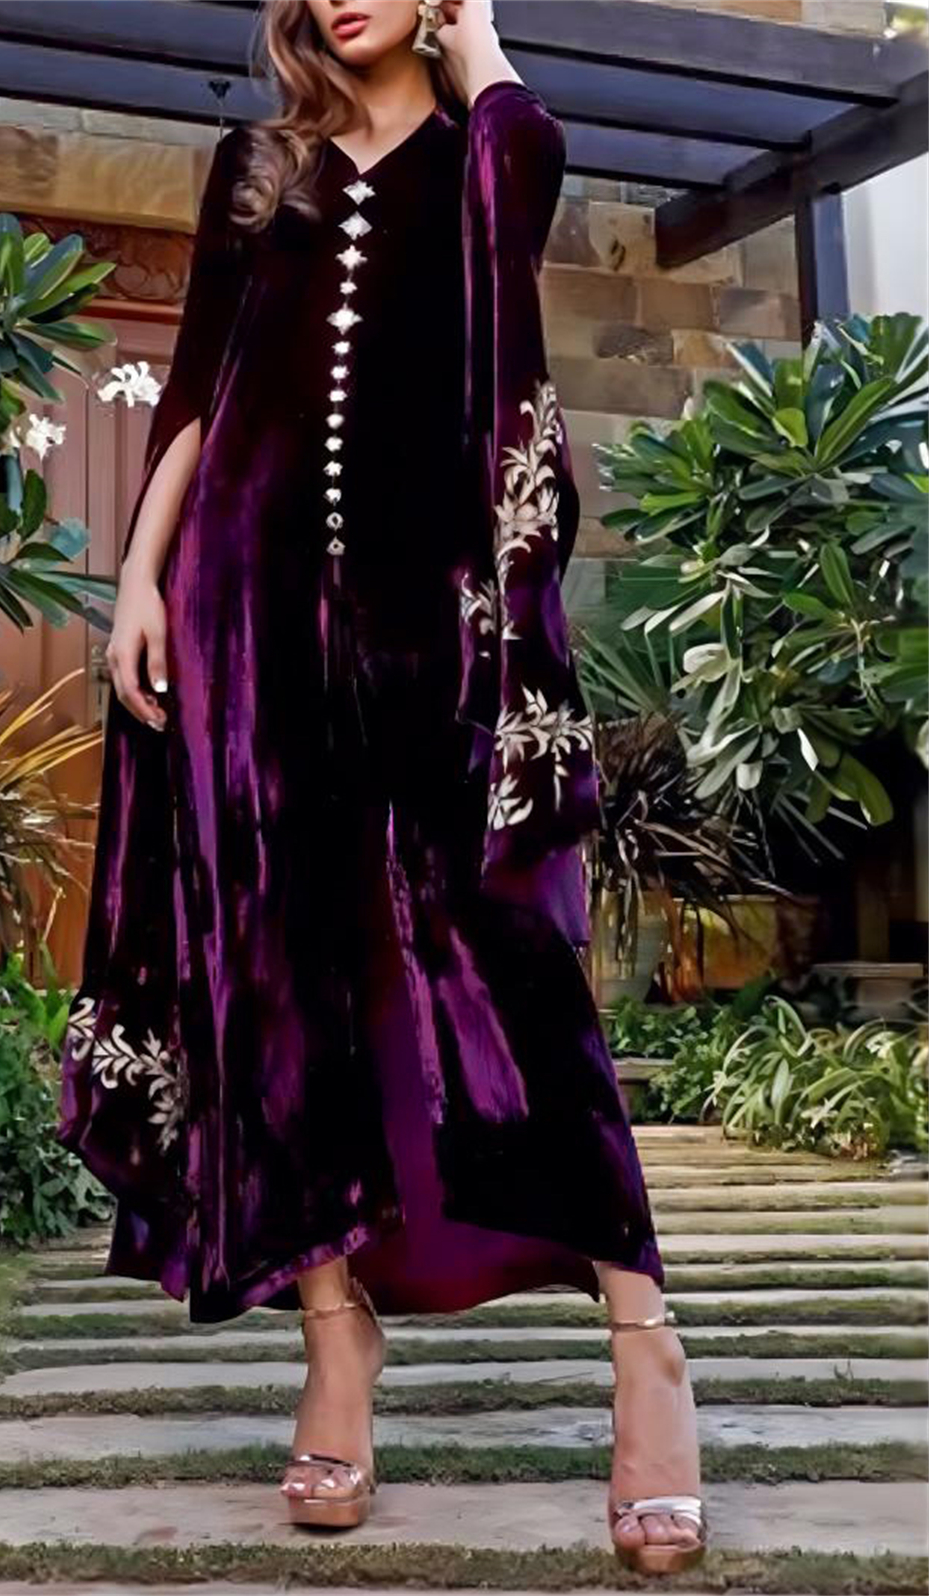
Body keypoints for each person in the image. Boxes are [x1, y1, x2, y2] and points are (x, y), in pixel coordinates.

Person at [58, 0, 704, 1571]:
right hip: (248, 619)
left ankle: (646, 1346)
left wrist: (478, 46)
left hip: (443, 634)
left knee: (514, 965)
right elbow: (201, 395)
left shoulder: (491, 146)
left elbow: (518, 203)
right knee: (282, 976)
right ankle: (334, 1338)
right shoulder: (254, 164)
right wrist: (138, 582)